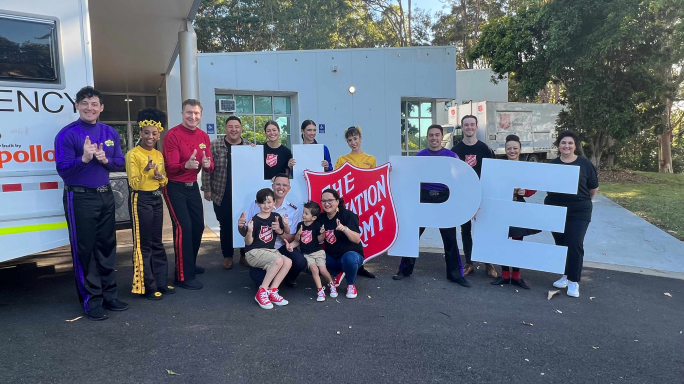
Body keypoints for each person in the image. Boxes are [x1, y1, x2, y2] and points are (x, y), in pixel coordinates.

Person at [54, 86, 128, 321]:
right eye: (85, 103)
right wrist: (84, 158)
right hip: (80, 197)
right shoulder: (67, 134)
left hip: (105, 195)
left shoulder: (109, 132)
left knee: (107, 248)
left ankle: (110, 295)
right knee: (85, 250)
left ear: (101, 108)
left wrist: (107, 160)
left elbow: (120, 163)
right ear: (76, 105)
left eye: (94, 103)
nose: (90, 108)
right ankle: (91, 301)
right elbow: (63, 171)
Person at [392, 125, 471, 287]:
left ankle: (455, 274)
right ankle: (404, 270)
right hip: (424, 198)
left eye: (437, 135)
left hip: (444, 198)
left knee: (449, 238)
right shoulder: (420, 156)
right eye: (431, 135)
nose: (434, 138)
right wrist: (393, 170)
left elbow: (461, 179)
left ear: (442, 137)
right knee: (412, 235)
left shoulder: (452, 156)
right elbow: (408, 175)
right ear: (427, 137)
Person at [162, 99, 214, 290]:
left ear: (200, 115)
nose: (193, 117)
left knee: (198, 226)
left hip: (192, 187)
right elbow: (170, 167)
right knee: (183, 228)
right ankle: (182, 276)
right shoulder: (173, 135)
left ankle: (188, 264)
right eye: (189, 113)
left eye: (196, 113)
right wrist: (185, 165)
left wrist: (208, 166)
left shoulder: (203, 136)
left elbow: (209, 164)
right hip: (175, 187)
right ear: (182, 113)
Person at [125, 108, 174, 300]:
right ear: (141, 133)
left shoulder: (159, 155)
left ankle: (161, 282)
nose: (150, 137)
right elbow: (133, 183)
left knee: (157, 243)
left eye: (154, 133)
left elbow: (164, 181)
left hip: (156, 198)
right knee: (143, 244)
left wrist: (161, 178)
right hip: (141, 199)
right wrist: (146, 171)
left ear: (158, 134)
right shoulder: (133, 154)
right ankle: (147, 286)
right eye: (146, 133)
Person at [545, 130, 599, 298]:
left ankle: (574, 282)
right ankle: (566, 276)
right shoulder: (552, 165)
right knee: (561, 244)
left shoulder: (584, 164)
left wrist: (581, 202)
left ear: (575, 146)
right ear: (559, 145)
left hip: (579, 210)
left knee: (574, 243)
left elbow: (593, 188)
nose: (566, 146)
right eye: (563, 143)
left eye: (570, 143)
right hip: (556, 209)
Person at [238, 174, 307, 288]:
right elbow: (245, 233)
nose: (281, 187)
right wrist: (241, 226)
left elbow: (291, 238)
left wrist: (280, 231)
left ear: (289, 189)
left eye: (285, 185)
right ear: (273, 186)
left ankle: (286, 278)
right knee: (258, 279)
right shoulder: (255, 205)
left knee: (300, 261)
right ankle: (271, 283)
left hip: (280, 247)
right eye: (278, 184)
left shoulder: (292, 210)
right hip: (260, 248)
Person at [202, 116, 252, 270]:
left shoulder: (250, 147)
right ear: (225, 128)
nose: (234, 130)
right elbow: (207, 168)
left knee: (246, 224)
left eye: (237, 126)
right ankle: (227, 256)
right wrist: (207, 189)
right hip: (221, 193)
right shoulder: (215, 146)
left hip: (244, 194)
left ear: (241, 129)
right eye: (230, 126)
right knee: (225, 226)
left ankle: (245, 255)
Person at [490, 134, 539, 289]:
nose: (512, 151)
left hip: (518, 207)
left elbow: (533, 186)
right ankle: (504, 275)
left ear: (520, 149)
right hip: (503, 207)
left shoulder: (526, 167)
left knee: (518, 242)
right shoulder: (500, 167)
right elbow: (492, 186)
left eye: (515, 148)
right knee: (503, 241)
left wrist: (526, 191)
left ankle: (516, 276)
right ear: (505, 149)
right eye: (509, 148)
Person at [452, 114, 498, 278]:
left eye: (472, 125)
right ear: (462, 127)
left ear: (476, 127)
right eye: (466, 125)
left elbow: (493, 174)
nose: (469, 127)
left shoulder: (485, 149)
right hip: (464, 196)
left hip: (483, 195)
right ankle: (469, 262)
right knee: (465, 230)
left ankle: (488, 262)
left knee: (484, 228)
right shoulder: (455, 151)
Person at [331, 126, 376, 281]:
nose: (353, 142)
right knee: (349, 233)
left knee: (365, 232)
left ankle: (360, 265)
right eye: (350, 140)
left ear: (360, 138)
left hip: (365, 201)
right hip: (349, 203)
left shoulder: (370, 159)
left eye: (355, 139)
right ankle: (350, 264)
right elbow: (334, 179)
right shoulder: (342, 160)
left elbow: (374, 180)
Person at [243, 188, 292, 309]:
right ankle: (262, 291)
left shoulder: (276, 216)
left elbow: (287, 232)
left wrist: (285, 225)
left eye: (269, 202)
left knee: (288, 261)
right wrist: (249, 231)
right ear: (258, 204)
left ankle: (272, 291)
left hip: (270, 251)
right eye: (263, 202)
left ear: (274, 202)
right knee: (279, 260)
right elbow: (248, 242)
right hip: (253, 252)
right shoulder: (254, 220)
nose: (266, 205)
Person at [285, 201, 336, 301]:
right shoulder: (300, 225)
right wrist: (295, 238)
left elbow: (320, 240)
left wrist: (322, 234)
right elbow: (297, 240)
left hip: (318, 252)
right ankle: (320, 290)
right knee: (314, 270)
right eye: (303, 212)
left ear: (314, 217)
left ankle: (331, 284)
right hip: (307, 254)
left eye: (306, 213)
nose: (303, 215)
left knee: (322, 270)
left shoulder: (317, 225)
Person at [318, 188, 364, 299]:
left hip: (351, 255)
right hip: (332, 257)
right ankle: (337, 272)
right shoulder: (321, 218)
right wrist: (321, 235)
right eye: (323, 201)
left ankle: (351, 284)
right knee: (313, 258)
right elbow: (318, 241)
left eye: (330, 200)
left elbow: (357, 239)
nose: (326, 203)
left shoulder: (348, 215)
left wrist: (344, 229)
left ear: (337, 201)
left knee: (349, 258)